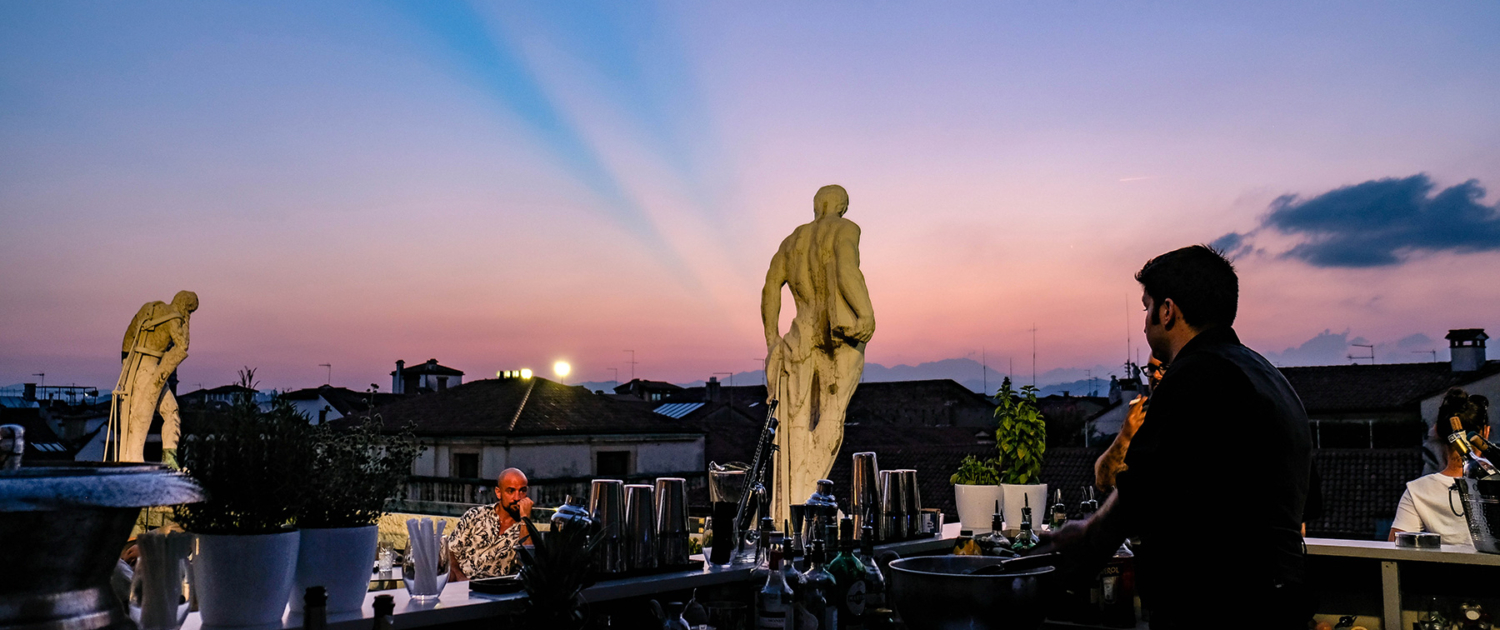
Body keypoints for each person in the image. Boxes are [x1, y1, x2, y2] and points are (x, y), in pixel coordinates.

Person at [1041, 245, 1315, 629]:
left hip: (1220, 605)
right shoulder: (1268, 375)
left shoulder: (1196, 374)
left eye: (1146, 306)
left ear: (1167, 311)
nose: (1145, 322)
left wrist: (1081, 548)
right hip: (1279, 598)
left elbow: (1142, 490)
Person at [761, 184, 876, 523]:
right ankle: (810, 503)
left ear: (817, 205)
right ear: (840, 206)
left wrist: (772, 340)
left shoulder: (792, 241)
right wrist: (865, 313)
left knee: (795, 426)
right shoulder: (845, 228)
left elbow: (771, 286)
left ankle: (793, 508)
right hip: (840, 333)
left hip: (801, 335)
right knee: (831, 414)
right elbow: (845, 270)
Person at [1388, 388, 1490, 545]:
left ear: (1437, 431)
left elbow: (1394, 550)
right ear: (1486, 433)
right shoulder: (1493, 481)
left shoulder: (1418, 491)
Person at [448, 468, 534, 580]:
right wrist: (460, 578)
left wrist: (525, 520)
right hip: (459, 581)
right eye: (511, 491)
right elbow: (450, 550)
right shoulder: (475, 515)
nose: (517, 498)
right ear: (499, 493)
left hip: (493, 589)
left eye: (522, 491)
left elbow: (527, 565)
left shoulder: (525, 529)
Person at [1094, 357, 1164, 493]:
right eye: (1151, 369)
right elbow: (1104, 482)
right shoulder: (1139, 421)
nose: (1156, 375)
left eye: (1164, 367)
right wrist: (1126, 436)